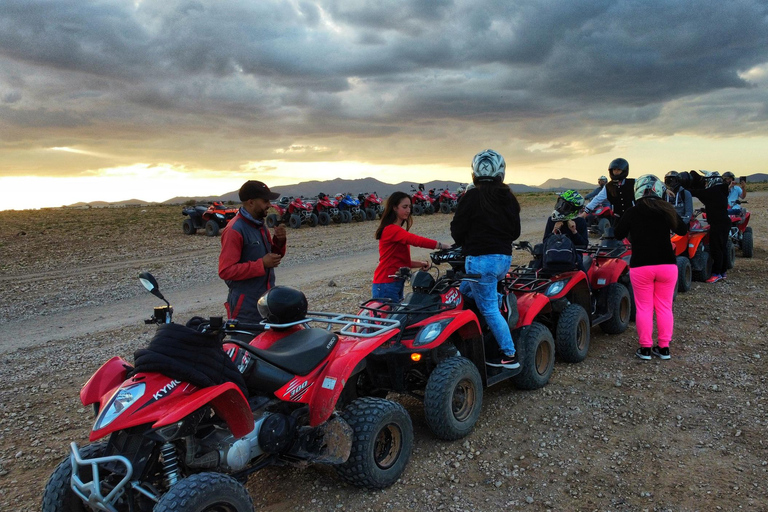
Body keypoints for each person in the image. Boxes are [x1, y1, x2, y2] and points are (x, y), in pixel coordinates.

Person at [451, 149, 521, 369]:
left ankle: (509, 354)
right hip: (503, 260)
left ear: (474, 172)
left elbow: (457, 230)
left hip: (480, 261)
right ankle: (472, 337)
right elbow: (515, 231)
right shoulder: (508, 196)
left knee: (488, 308)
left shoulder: (471, 196)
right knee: (462, 293)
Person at [613, 175, 688, 360]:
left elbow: (617, 233)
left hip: (641, 266)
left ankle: (645, 348)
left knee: (644, 308)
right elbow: (683, 230)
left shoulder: (632, 211)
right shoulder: (666, 210)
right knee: (664, 307)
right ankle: (664, 348)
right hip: (667, 265)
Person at [219, 180, 286, 324]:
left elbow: (272, 258)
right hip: (245, 309)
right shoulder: (234, 230)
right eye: (265, 201)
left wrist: (279, 241)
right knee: (246, 345)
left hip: (266, 302)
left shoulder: (259, 225)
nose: (269, 205)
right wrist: (261, 264)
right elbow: (225, 271)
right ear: (251, 202)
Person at [372, 191, 452, 302]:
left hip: (394, 283)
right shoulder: (392, 229)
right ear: (394, 207)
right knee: (389, 319)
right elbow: (416, 240)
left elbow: (399, 262)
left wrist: (420, 264)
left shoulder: (395, 230)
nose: (408, 210)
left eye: (409, 207)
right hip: (386, 284)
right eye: (404, 207)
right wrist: (441, 245)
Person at [686, 170, 730, 283]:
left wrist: (682, 189)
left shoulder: (713, 191)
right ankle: (723, 272)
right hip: (724, 222)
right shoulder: (721, 190)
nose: (706, 184)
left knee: (716, 249)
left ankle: (716, 273)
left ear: (712, 181)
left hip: (718, 224)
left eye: (707, 181)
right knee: (722, 248)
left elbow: (696, 193)